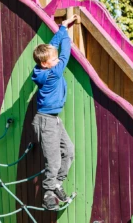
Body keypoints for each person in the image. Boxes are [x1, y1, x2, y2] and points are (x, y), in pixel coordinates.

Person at [31, 15, 78, 210]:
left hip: (54, 120)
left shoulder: (45, 65)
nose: (58, 60)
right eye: (54, 59)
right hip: (45, 121)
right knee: (54, 160)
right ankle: (48, 193)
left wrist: (62, 28)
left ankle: (58, 183)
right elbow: (65, 54)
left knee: (69, 152)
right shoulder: (52, 73)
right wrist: (66, 37)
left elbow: (52, 49)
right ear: (46, 64)